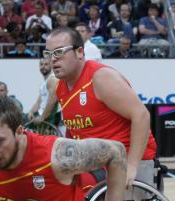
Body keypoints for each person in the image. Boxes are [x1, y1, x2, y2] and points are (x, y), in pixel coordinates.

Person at [39, 26, 156, 190]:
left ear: (80, 52)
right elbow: (73, 132)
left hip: (116, 161)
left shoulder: (101, 78)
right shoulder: (60, 87)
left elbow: (141, 115)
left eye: (59, 52)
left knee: (62, 188)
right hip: (90, 160)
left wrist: (131, 166)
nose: (53, 59)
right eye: (48, 54)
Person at [28, 57, 61, 127]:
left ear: (51, 65)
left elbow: (52, 102)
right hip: (43, 115)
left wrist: (42, 117)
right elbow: (39, 102)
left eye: (46, 64)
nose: (43, 66)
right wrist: (31, 111)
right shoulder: (44, 83)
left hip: (52, 117)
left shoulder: (52, 79)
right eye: (41, 64)